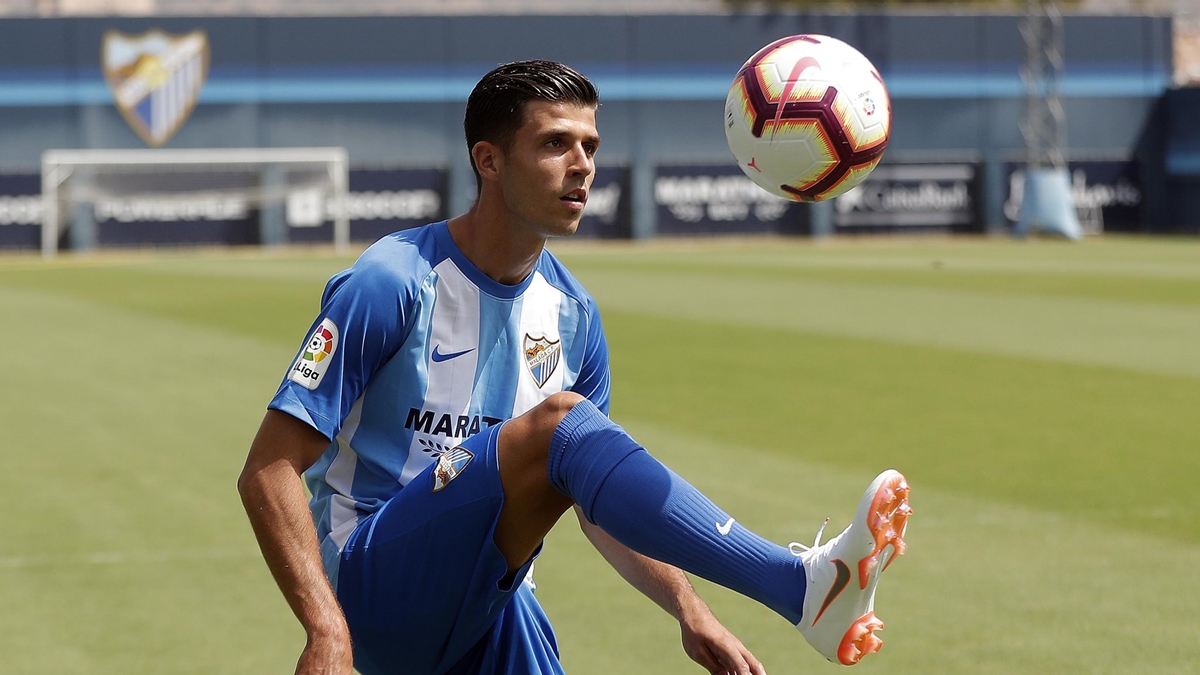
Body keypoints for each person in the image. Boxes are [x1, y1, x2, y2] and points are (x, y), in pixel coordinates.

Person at [238, 60, 912, 675]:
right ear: (489, 160)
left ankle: (806, 591)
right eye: (556, 143)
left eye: (590, 145)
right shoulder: (393, 280)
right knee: (561, 424)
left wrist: (688, 605)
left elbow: (600, 502)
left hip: (488, 602)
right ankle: (799, 586)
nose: (583, 164)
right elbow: (267, 469)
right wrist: (326, 628)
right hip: (373, 589)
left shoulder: (574, 314)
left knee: (568, 438)